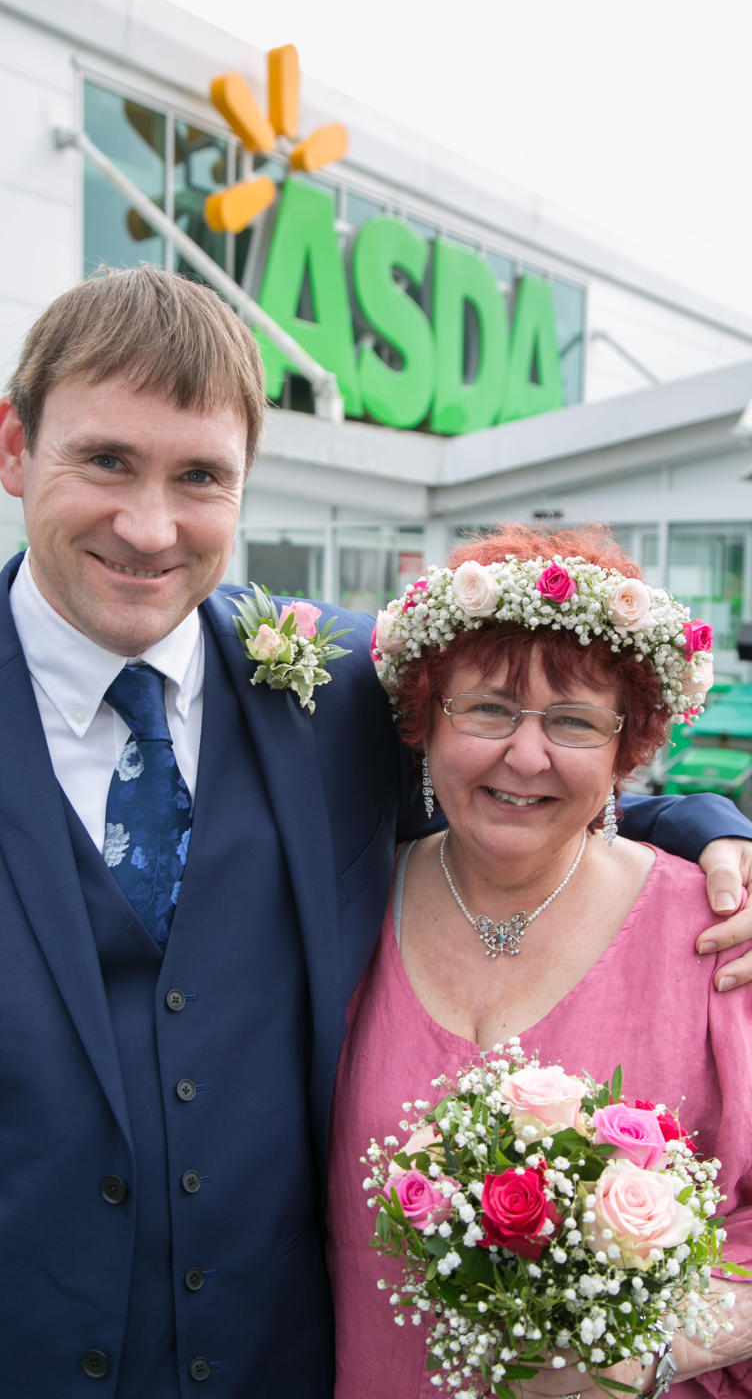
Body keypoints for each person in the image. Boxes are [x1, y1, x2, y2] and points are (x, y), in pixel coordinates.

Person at [0, 271, 750, 1399]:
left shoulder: (337, 687)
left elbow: (523, 787)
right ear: (15, 447)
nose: (150, 527)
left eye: (199, 476)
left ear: (246, 483)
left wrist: (708, 830)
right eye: (106, 460)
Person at [327, 525, 752, 1399]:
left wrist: (634, 1360)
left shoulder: (718, 935)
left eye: (572, 722)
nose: (526, 756)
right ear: (423, 718)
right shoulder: (344, 908)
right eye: (486, 708)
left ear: (626, 743)